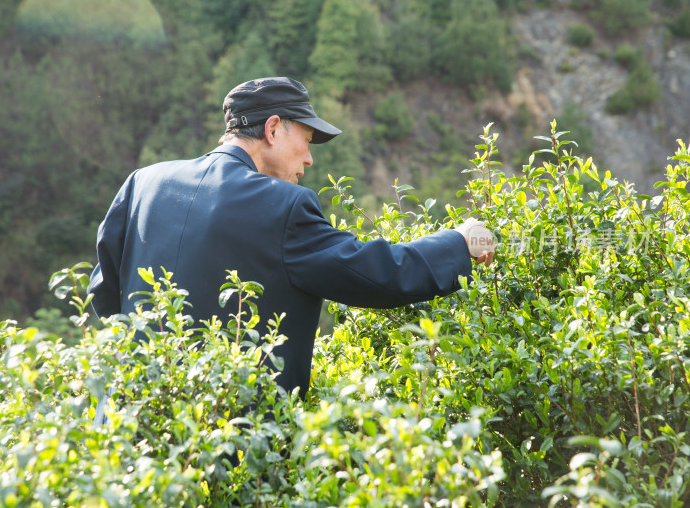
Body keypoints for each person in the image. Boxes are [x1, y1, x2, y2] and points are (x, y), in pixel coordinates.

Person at [88, 77, 494, 399]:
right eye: (306, 140)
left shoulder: (144, 182)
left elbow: (104, 295)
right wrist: (458, 242)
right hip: (233, 452)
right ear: (273, 129)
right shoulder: (285, 206)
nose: (309, 158)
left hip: (131, 429)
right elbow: (378, 274)